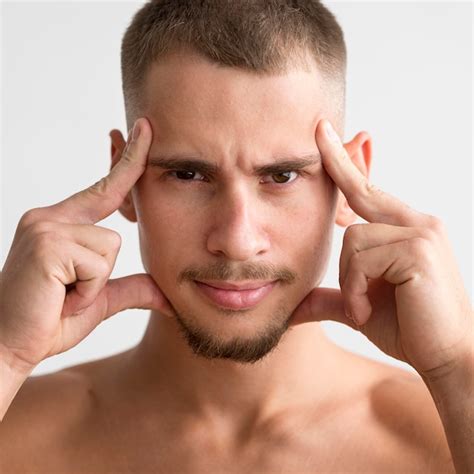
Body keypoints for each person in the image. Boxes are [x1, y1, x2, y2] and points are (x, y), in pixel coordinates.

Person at [0, 0, 472, 472]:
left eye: (283, 176)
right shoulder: (17, 436)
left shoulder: (446, 436)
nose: (238, 240)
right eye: (187, 174)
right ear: (121, 178)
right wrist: (6, 354)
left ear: (352, 179)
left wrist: (458, 370)